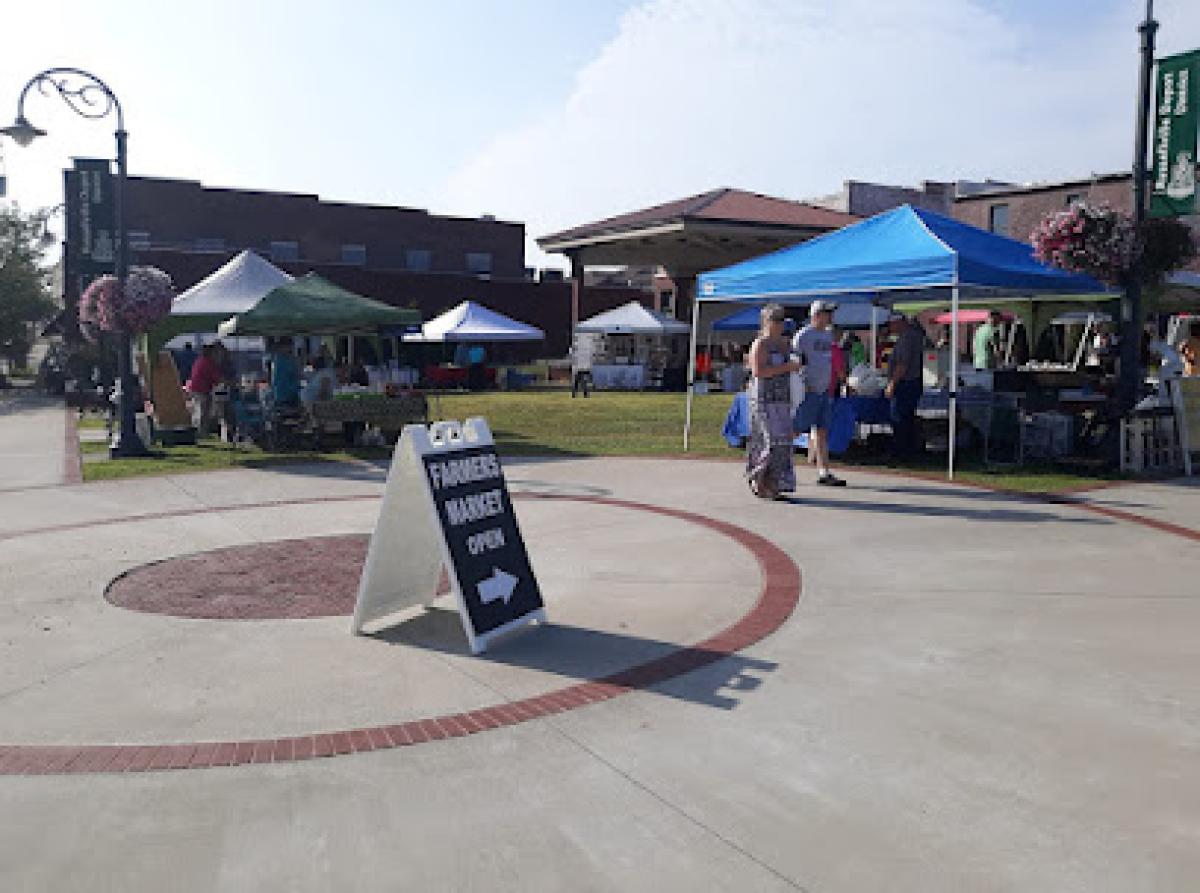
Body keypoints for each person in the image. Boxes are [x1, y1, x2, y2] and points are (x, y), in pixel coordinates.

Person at [745, 304, 801, 499]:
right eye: (774, 320)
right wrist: (786, 367)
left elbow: (795, 362)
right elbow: (758, 372)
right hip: (764, 398)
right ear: (766, 322)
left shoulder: (786, 343)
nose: (778, 324)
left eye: (780, 320)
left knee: (784, 442)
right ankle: (759, 480)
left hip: (782, 398)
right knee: (769, 441)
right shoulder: (760, 344)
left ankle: (775, 481)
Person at [792, 299, 846, 486]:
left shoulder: (827, 336)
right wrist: (802, 383)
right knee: (796, 428)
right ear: (816, 315)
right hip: (809, 389)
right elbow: (795, 360)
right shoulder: (803, 335)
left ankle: (824, 471)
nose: (830, 317)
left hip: (824, 389)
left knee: (822, 430)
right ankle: (778, 463)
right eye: (827, 313)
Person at [886, 313, 925, 459]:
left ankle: (901, 451)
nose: (890, 328)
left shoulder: (906, 339)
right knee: (907, 417)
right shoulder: (914, 336)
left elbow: (902, 365)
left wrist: (892, 384)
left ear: (898, 322)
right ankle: (908, 449)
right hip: (912, 382)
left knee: (899, 417)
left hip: (905, 383)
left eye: (891, 324)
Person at [185, 344, 223, 435]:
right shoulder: (208, 363)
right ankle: (201, 432)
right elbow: (216, 377)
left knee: (199, 411)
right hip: (201, 390)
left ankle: (200, 431)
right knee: (203, 412)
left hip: (195, 388)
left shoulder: (200, 360)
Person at [268, 338, 301, 406]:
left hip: (288, 394)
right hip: (285, 395)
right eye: (289, 347)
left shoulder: (285, 359)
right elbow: (292, 373)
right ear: (282, 347)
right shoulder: (280, 360)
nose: (290, 349)